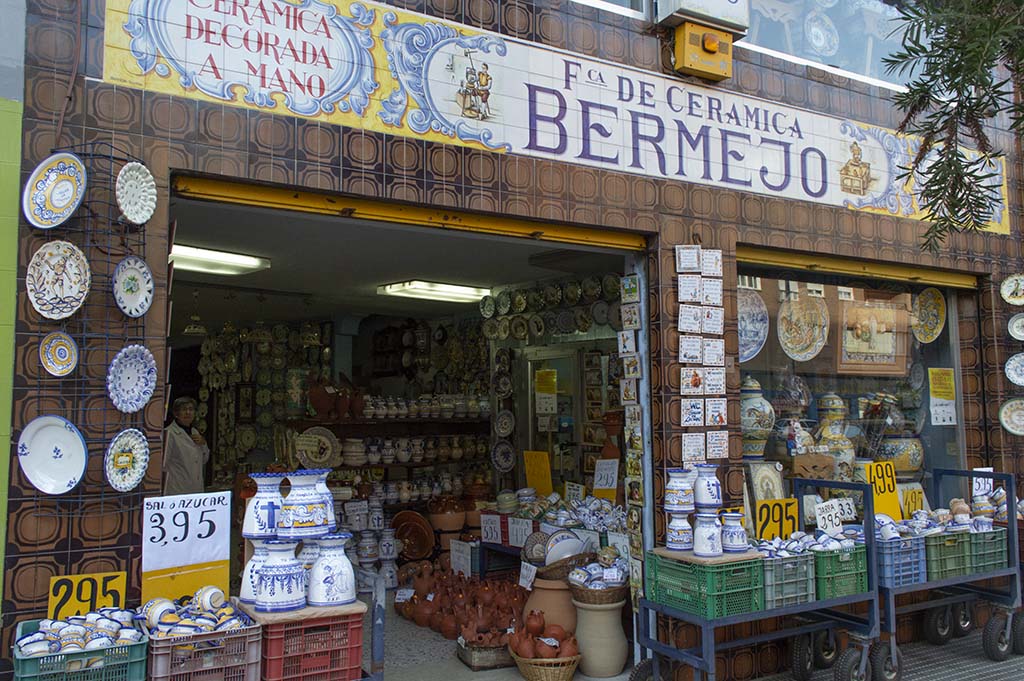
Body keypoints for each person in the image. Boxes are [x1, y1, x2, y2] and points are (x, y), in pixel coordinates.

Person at [164, 396, 209, 496]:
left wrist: (203, 444)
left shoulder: (195, 432)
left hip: (196, 489)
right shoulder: (169, 433)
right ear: (176, 413)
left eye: (191, 409)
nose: (188, 412)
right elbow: (164, 464)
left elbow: (204, 459)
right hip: (178, 489)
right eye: (184, 409)